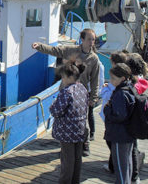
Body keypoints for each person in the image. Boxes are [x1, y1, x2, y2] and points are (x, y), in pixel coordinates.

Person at [32, 28, 100, 156]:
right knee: (65, 119)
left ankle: (85, 144)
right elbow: (55, 50)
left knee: (82, 120)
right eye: (89, 39)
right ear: (83, 39)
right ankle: (65, 145)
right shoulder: (71, 50)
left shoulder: (94, 59)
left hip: (81, 94)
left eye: (93, 39)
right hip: (66, 91)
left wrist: (93, 97)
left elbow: (95, 79)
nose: (91, 42)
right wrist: (40, 46)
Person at [50, 62, 88, 184]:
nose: (62, 79)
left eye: (63, 77)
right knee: (77, 159)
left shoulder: (66, 92)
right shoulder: (82, 88)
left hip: (67, 132)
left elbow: (55, 111)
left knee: (67, 161)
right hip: (80, 130)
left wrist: (52, 105)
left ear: (70, 77)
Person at [104, 63, 136, 184]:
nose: (111, 81)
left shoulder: (120, 94)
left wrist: (107, 109)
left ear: (122, 78)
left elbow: (119, 116)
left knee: (120, 166)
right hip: (128, 134)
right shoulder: (130, 88)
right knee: (127, 163)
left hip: (119, 135)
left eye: (113, 78)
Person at [100, 51, 129, 174]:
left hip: (112, 119)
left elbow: (108, 96)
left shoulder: (117, 89)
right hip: (119, 122)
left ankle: (114, 166)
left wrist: (105, 89)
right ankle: (115, 164)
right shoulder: (127, 85)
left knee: (111, 141)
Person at [126, 53, 148, 184]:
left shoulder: (133, 85)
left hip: (131, 122)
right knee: (133, 147)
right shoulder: (141, 81)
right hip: (136, 119)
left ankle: (134, 176)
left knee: (132, 149)